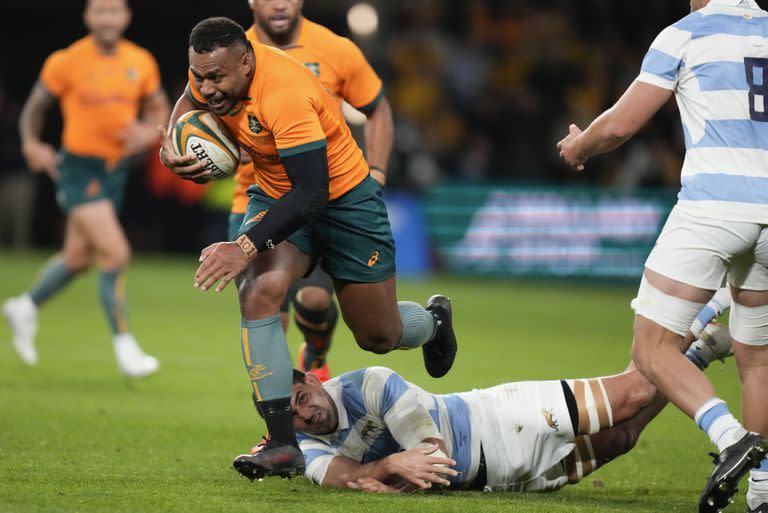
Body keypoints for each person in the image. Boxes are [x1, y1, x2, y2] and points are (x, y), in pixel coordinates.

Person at [159, 17, 456, 479]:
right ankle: (282, 443)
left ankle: (433, 323)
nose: (206, 88)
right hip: (276, 191)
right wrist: (172, 139)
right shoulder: (210, 73)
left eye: (215, 78)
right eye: (198, 75)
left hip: (344, 200)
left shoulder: (286, 91)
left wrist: (243, 245)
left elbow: (312, 193)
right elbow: (188, 98)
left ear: (246, 61)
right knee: (257, 291)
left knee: (377, 335)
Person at [557, 1, 768, 511]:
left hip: (714, 207)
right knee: (757, 359)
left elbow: (624, 123)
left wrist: (580, 147)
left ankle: (733, 440)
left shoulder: (686, 33)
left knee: (652, 349)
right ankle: (764, 488)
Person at [234, 313, 734, 491]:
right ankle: (704, 350)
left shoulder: (369, 382)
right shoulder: (306, 442)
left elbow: (430, 461)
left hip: (506, 416)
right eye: (294, 414)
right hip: (506, 479)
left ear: (312, 379)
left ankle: (696, 312)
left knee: (637, 391)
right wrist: (387, 467)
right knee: (623, 435)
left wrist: (381, 472)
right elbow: (345, 477)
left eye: (301, 397)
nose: (306, 414)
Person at [227, 0, 394, 382]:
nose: (281, 3)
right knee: (266, 308)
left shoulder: (335, 49)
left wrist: (378, 171)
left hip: (317, 200)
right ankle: (284, 425)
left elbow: (377, 108)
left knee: (316, 301)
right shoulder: (232, 52)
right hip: (253, 198)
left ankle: (316, 347)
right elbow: (203, 111)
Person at [3, 0, 169, 378]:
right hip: (78, 167)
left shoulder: (140, 61)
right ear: (87, 17)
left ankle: (24, 306)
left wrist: (148, 132)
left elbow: (158, 106)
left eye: (115, 11)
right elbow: (34, 107)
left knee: (78, 258)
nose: (108, 18)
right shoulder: (67, 60)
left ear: (127, 16)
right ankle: (125, 346)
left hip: (115, 169)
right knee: (115, 254)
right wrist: (31, 143)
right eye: (100, 11)